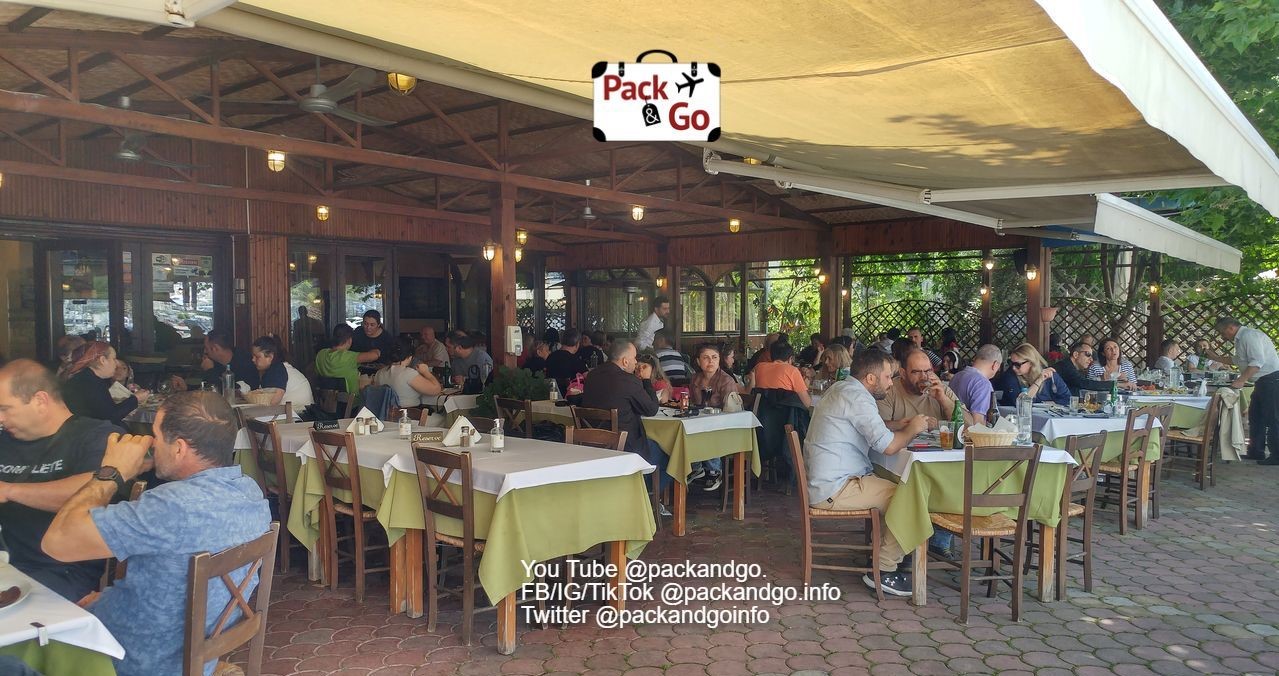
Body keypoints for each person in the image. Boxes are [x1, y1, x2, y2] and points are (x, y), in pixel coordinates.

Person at [42, 391, 272, 676]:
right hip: (195, 650)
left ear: (178, 448)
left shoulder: (169, 506)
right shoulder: (250, 492)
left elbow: (57, 542)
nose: (151, 444)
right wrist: (110, 603)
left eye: (155, 436)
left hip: (129, 657)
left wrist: (111, 472)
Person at [805, 349, 929, 597]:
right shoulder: (859, 399)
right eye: (886, 377)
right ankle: (882, 569)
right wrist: (914, 428)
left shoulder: (842, 389)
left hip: (826, 481)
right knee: (905, 495)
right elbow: (889, 446)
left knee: (897, 488)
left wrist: (897, 425)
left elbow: (867, 426)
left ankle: (893, 552)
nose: (890, 383)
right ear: (871, 379)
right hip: (836, 488)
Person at [0, 360, 116, 601]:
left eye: (4, 408)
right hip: (6, 565)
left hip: (59, 569)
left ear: (40, 401)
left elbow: (91, 493)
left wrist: (9, 490)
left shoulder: (96, 436)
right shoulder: (4, 441)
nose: (0, 418)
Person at [580, 339, 671, 513]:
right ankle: (642, 499)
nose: (637, 362)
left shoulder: (592, 375)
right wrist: (645, 381)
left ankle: (633, 496)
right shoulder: (628, 381)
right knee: (668, 454)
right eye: (635, 358)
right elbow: (651, 409)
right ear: (625, 361)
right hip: (624, 446)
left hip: (593, 444)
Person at [1202, 317, 1279, 463]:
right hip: (1262, 382)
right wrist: (1216, 358)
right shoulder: (1241, 339)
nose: (1222, 336)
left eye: (1222, 332)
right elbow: (1237, 360)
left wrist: (1240, 380)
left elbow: (1257, 363)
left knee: (1273, 418)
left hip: (1271, 380)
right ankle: (1256, 451)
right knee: (1256, 417)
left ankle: (1277, 455)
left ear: (1230, 328)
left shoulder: (1249, 336)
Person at [61, 342, 148, 428]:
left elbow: (104, 411)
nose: (117, 363)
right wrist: (136, 399)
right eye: (114, 359)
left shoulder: (83, 377)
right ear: (103, 360)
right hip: (91, 434)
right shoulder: (92, 382)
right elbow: (111, 416)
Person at [878, 349, 971, 429]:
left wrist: (943, 400)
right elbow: (878, 427)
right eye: (916, 372)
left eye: (927, 371)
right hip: (902, 448)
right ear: (903, 373)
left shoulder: (941, 389)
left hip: (939, 449)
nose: (923, 377)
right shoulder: (889, 389)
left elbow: (970, 426)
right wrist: (912, 424)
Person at [994, 343, 1071, 406]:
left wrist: (1054, 403)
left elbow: (1068, 399)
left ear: (1031, 363)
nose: (1013, 367)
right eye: (1010, 363)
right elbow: (1020, 403)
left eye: (1017, 364)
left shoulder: (1049, 375)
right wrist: (1039, 381)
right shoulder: (1010, 376)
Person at [248, 336, 313, 409]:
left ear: (270, 357)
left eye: (257, 357)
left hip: (300, 415)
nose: (253, 359)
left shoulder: (277, 370)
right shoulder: (276, 368)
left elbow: (274, 401)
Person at [374, 338, 442, 407]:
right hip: (409, 415)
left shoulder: (379, 373)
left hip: (385, 414)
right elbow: (436, 390)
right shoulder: (409, 374)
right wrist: (426, 372)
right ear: (410, 357)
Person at [315, 324, 380, 396]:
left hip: (326, 401)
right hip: (351, 403)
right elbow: (374, 356)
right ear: (349, 340)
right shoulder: (348, 356)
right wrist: (377, 350)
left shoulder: (321, 354)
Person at [947, 344, 1001, 423]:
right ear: (995, 365)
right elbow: (978, 423)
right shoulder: (983, 384)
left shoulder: (956, 376)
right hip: (969, 433)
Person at [750, 341, 811, 408]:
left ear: (771, 355)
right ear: (790, 358)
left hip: (761, 413)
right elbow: (807, 404)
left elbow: (750, 387)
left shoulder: (758, 367)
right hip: (786, 416)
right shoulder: (792, 371)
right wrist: (806, 386)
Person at [291, 307, 326, 372]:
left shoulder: (297, 323)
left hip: (305, 347)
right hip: (306, 347)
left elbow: (320, 335)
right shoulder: (312, 322)